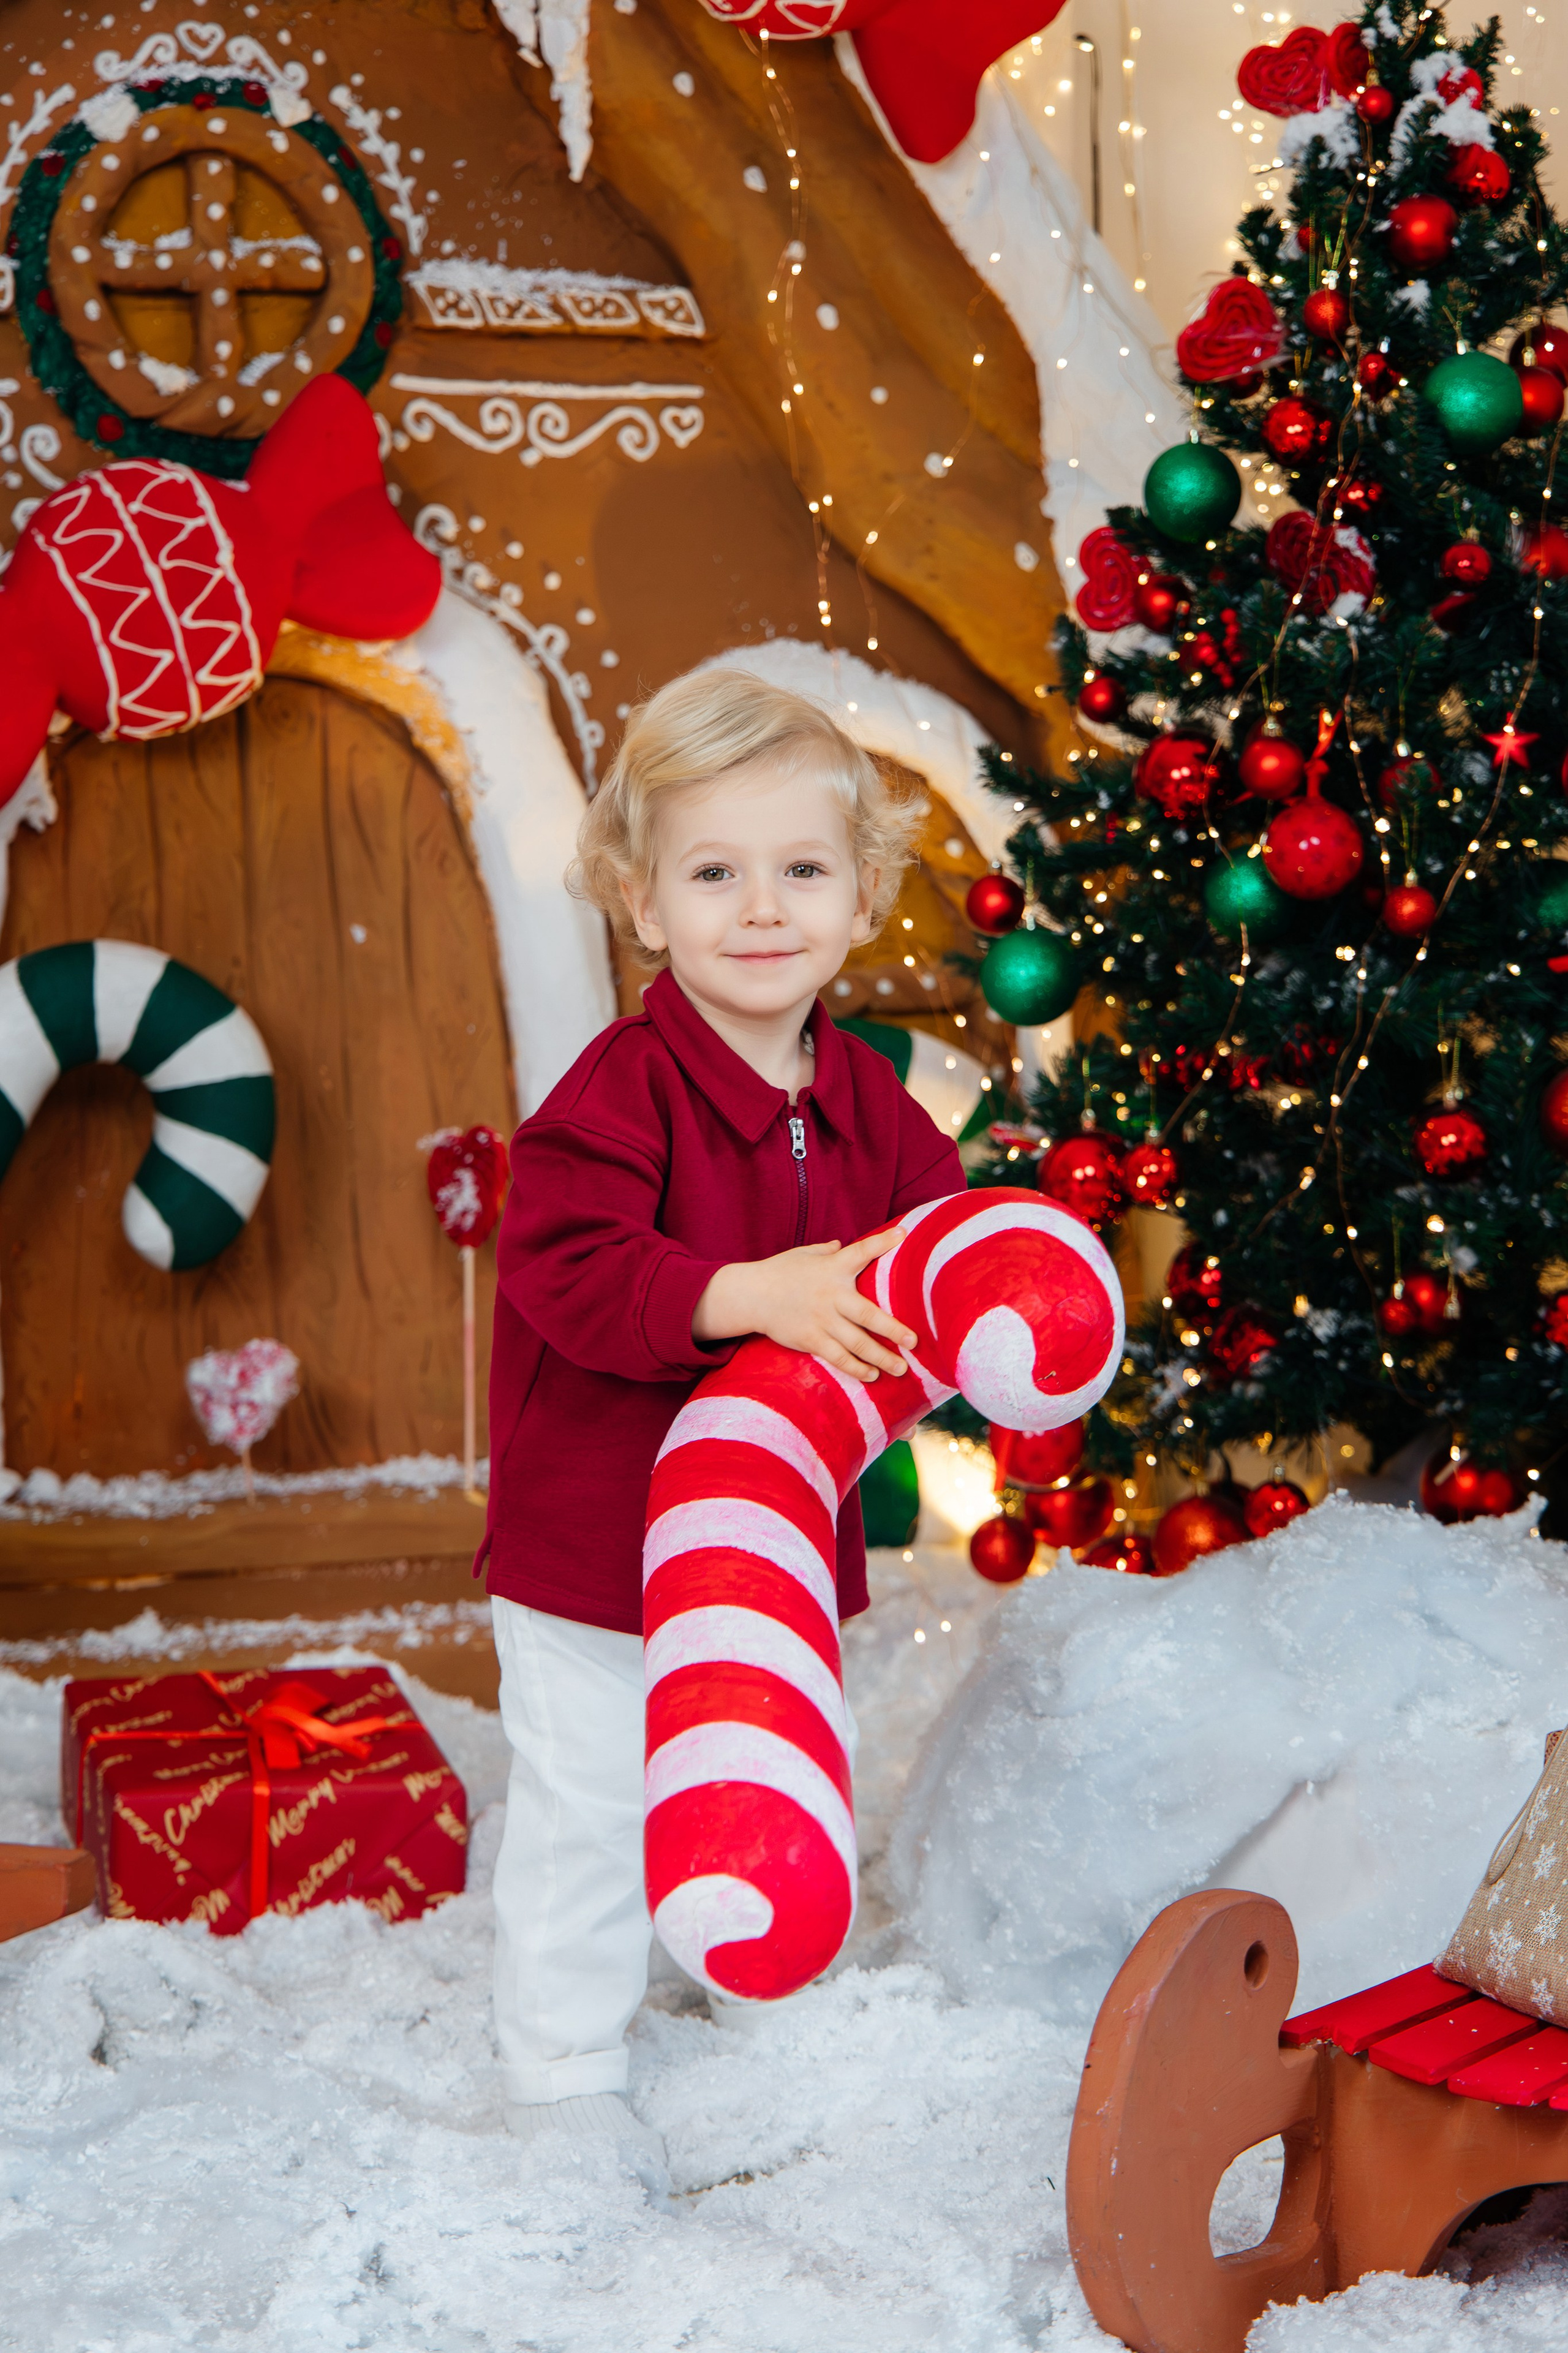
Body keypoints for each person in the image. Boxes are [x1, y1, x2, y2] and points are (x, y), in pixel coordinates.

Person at [480, 667, 966, 2180]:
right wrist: (751, 1291)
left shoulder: (864, 1092)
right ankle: (560, 2061)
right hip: (598, 1550)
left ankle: (754, 1965)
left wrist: (995, 1293)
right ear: (640, 900)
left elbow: (939, 1235)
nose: (761, 909)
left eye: (801, 870)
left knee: (766, 1759)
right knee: (595, 1793)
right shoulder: (617, 1091)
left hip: (766, 1547)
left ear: (863, 894)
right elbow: (567, 1272)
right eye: (712, 873)